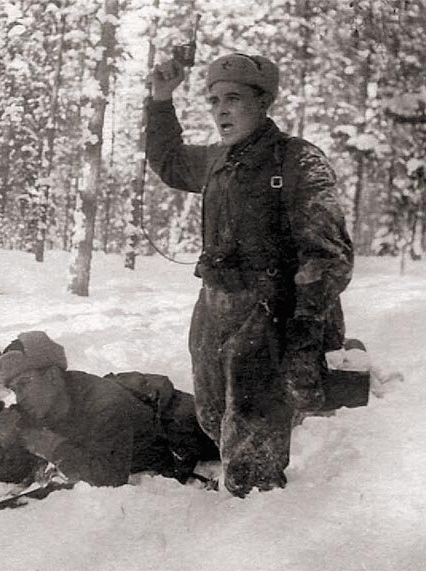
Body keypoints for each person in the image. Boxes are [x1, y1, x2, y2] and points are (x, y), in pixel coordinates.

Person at [145, 53, 354, 496]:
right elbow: (168, 161)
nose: (221, 109)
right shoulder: (218, 161)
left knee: (252, 439)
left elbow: (329, 255)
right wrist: (161, 100)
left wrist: (301, 326)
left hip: (268, 314)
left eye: (233, 98)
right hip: (214, 311)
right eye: (214, 99)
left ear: (263, 103)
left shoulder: (297, 161)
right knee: (212, 416)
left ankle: (256, 522)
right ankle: (245, 476)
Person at [0, 331, 220, 488]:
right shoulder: (37, 407)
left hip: (190, 430)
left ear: (52, 376)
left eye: (25, 383)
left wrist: (52, 446)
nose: (20, 396)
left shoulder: (105, 404)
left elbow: (108, 478)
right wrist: (6, 440)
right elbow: (10, 477)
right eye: (14, 389)